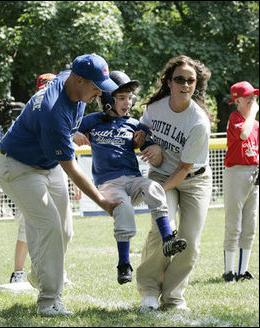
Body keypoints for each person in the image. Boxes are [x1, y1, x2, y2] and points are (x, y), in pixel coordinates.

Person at [0, 53, 120, 316]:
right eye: (95, 86)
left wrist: (71, 133)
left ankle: (39, 274)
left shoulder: (73, 84)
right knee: (49, 225)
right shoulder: (52, 111)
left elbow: (64, 139)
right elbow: (71, 166)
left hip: (45, 164)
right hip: (19, 167)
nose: (99, 93)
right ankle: (49, 300)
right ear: (77, 79)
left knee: (64, 231)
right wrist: (102, 202)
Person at [78, 70, 187, 285]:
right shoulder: (91, 121)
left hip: (133, 179)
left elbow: (152, 155)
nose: (127, 102)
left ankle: (167, 238)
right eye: (121, 98)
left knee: (154, 188)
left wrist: (154, 150)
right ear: (107, 99)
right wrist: (76, 134)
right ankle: (123, 263)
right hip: (109, 183)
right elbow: (67, 131)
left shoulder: (135, 125)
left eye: (130, 98)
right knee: (123, 209)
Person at [136, 55, 215, 311]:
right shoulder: (155, 107)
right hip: (161, 173)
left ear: (196, 84)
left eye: (191, 80)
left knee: (189, 241)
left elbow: (184, 168)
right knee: (164, 230)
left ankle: (173, 297)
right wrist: (150, 146)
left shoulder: (198, 122)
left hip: (193, 180)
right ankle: (149, 290)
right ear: (169, 82)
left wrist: (158, 190)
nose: (185, 84)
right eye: (179, 79)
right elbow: (139, 135)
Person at [9, 72, 80, 285]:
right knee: (31, 227)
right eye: (43, 87)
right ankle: (20, 272)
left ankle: (53, 270)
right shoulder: (36, 110)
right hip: (30, 172)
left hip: (54, 171)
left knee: (65, 230)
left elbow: (67, 152)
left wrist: (75, 181)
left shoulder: (63, 109)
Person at [222, 81, 259, 282]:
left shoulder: (256, 124)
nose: (253, 99)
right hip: (236, 172)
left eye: (254, 96)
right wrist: (253, 113)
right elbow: (244, 134)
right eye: (248, 97)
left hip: (253, 173)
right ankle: (229, 271)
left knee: (250, 223)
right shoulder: (235, 118)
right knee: (234, 223)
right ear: (237, 101)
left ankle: (243, 270)